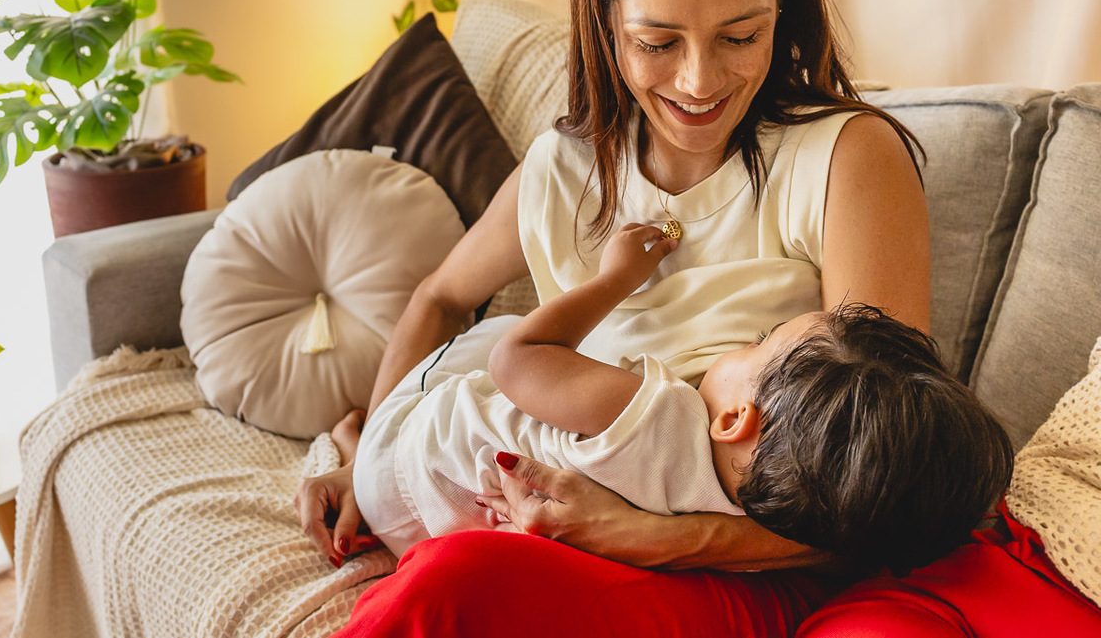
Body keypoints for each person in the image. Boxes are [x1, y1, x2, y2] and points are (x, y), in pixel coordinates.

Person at [299, 0, 937, 633]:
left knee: (451, 580)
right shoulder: (564, 169)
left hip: (750, 556)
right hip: (562, 521)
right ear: (605, 18)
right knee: (451, 563)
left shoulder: (847, 157)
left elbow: (888, 476)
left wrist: (653, 536)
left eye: (741, 35)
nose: (700, 82)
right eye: (657, 42)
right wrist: (366, 466)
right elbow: (441, 297)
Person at [349, 220, 1012, 576]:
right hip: (438, 517)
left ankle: (355, 444)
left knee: (492, 332)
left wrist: (614, 279)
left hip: (400, 468)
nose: (739, 345)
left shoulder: (654, 414)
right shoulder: (782, 513)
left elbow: (517, 360)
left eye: (755, 342)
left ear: (731, 419)